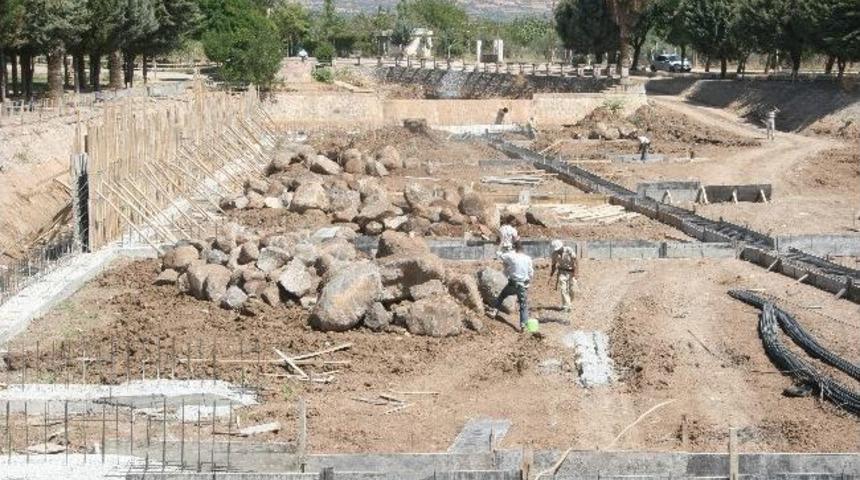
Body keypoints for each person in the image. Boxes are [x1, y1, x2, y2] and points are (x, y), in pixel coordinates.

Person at [489, 241, 534, 331]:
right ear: (522, 249)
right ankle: (523, 326)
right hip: (522, 285)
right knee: (523, 305)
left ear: (515, 248)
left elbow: (499, 255)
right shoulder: (528, 258)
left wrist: (500, 244)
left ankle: (494, 312)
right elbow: (531, 273)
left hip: (513, 283)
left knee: (502, 295)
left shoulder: (511, 255)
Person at [549, 240, 578, 313]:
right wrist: (551, 273)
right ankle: (567, 306)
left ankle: (568, 303)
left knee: (572, 290)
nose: (558, 251)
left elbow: (576, 260)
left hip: (571, 272)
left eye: (559, 249)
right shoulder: (554, 254)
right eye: (557, 250)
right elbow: (553, 264)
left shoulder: (569, 250)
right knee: (563, 290)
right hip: (562, 272)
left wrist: (576, 273)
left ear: (562, 246)